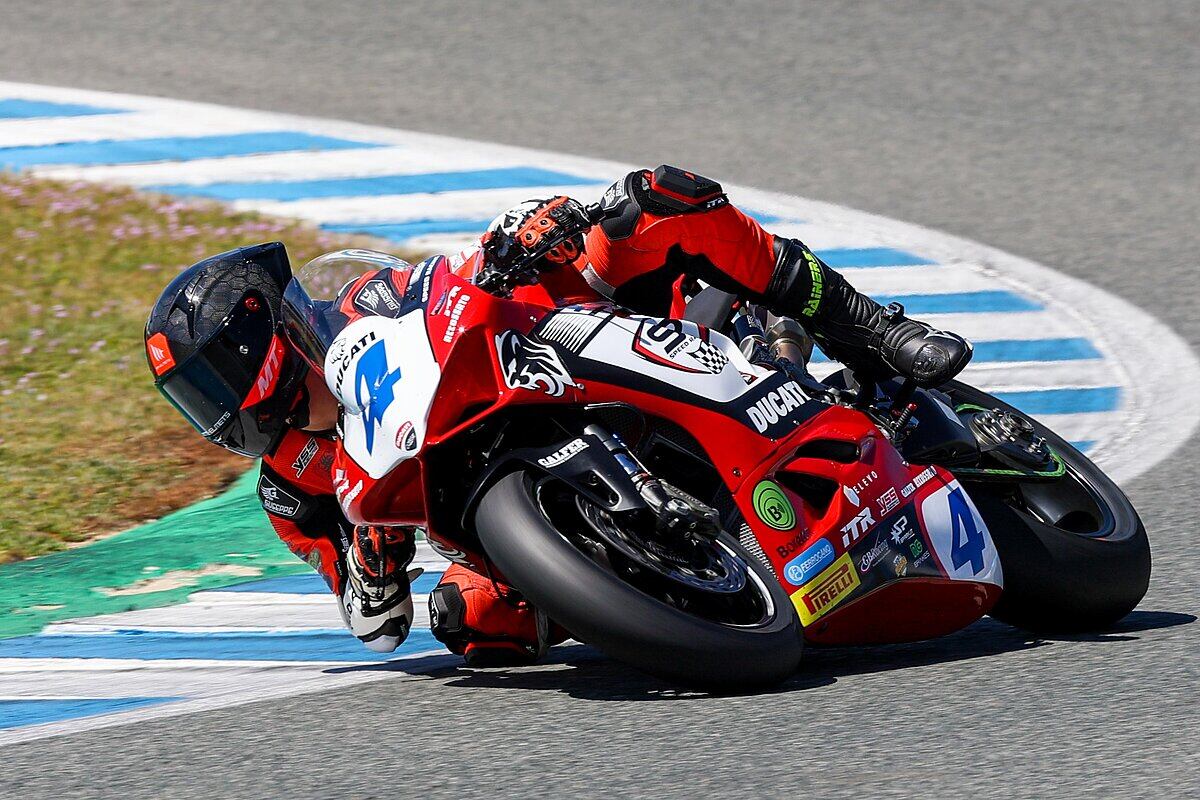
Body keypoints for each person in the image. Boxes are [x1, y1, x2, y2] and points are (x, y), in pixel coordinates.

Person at [144, 165, 971, 665]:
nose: (215, 410)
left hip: (552, 351)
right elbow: (375, 626)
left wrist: (522, 235)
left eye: (217, 378)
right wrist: (370, 554)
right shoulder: (290, 491)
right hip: (485, 506)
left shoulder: (365, 300)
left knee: (655, 202)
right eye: (198, 398)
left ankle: (867, 329)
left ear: (268, 335)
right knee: (469, 621)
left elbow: (453, 278)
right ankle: (653, 588)